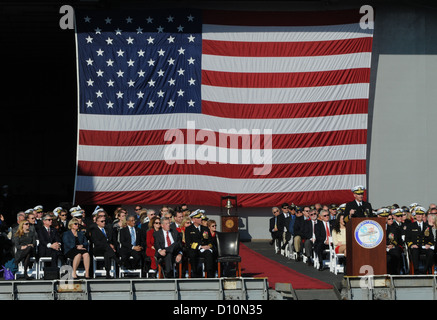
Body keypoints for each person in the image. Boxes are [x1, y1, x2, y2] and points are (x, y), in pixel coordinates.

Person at [184, 209, 215, 278]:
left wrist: (209, 246)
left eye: (201, 217)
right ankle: (195, 274)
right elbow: (189, 243)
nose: (201, 219)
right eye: (198, 218)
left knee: (209, 254)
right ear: (194, 219)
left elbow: (210, 240)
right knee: (192, 254)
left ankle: (210, 275)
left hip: (204, 249)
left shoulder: (205, 228)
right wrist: (200, 246)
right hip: (195, 249)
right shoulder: (189, 229)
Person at [405, 206, 435, 274]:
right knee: (415, 251)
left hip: (424, 246)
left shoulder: (427, 226)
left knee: (431, 253)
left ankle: (425, 270)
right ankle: (416, 270)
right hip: (415, 246)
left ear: (423, 215)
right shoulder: (410, 226)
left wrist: (428, 244)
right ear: (415, 215)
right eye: (417, 214)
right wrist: (412, 245)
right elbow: (407, 238)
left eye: (420, 214)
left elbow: (431, 239)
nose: (418, 216)